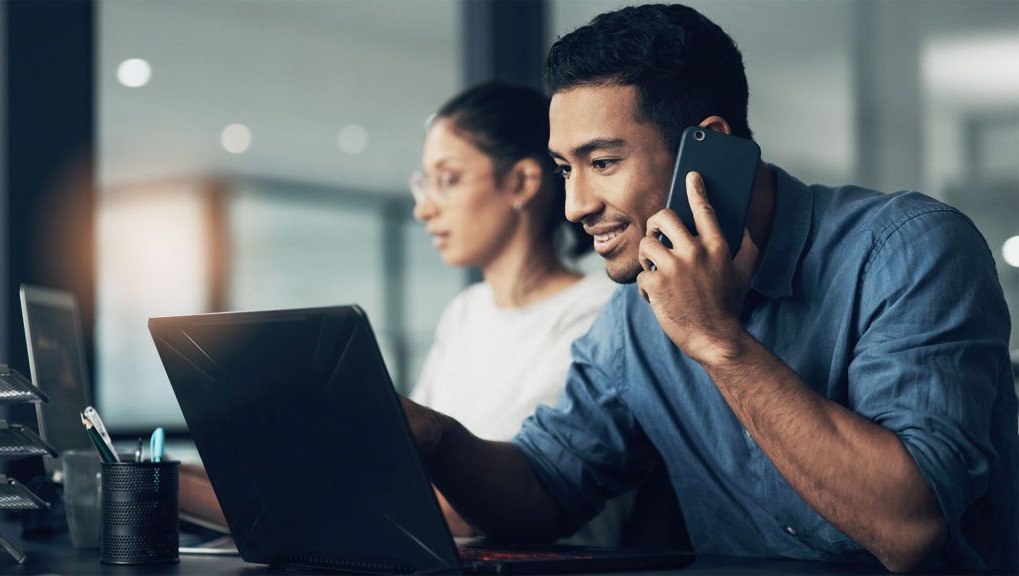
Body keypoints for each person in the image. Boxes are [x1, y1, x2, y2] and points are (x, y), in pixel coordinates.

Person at [400, 4, 1018, 573]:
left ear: (711, 146)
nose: (575, 206)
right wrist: (433, 436)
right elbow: (545, 490)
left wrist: (718, 341)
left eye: (604, 163)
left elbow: (907, 527)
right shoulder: (631, 321)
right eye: (567, 169)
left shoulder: (908, 248)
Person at [408, 82, 625, 544]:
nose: (424, 208)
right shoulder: (464, 313)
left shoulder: (598, 313)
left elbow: (481, 504)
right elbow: (405, 471)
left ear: (523, 182)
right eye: (424, 183)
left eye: (448, 180)